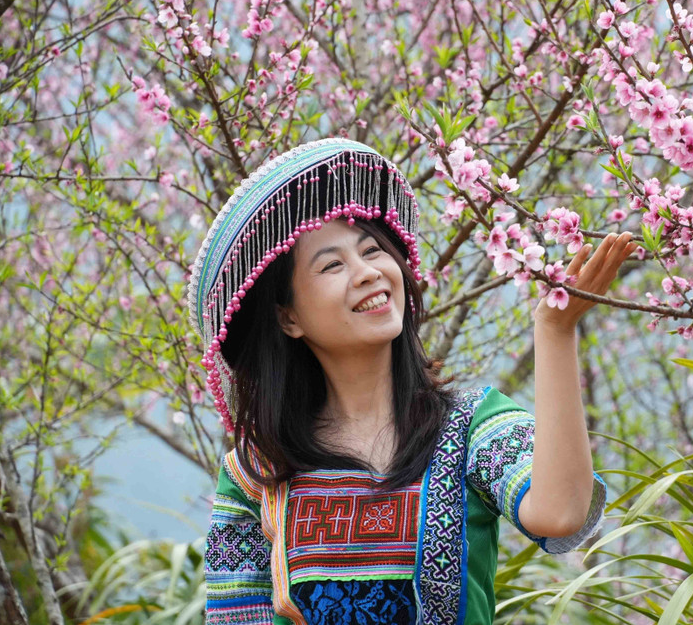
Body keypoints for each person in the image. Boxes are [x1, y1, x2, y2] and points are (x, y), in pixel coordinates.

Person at [187, 138, 639, 625]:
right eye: (333, 264)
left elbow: (560, 514)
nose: (368, 273)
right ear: (288, 317)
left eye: (372, 250)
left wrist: (555, 330)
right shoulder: (256, 473)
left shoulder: (469, 427)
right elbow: (235, 617)